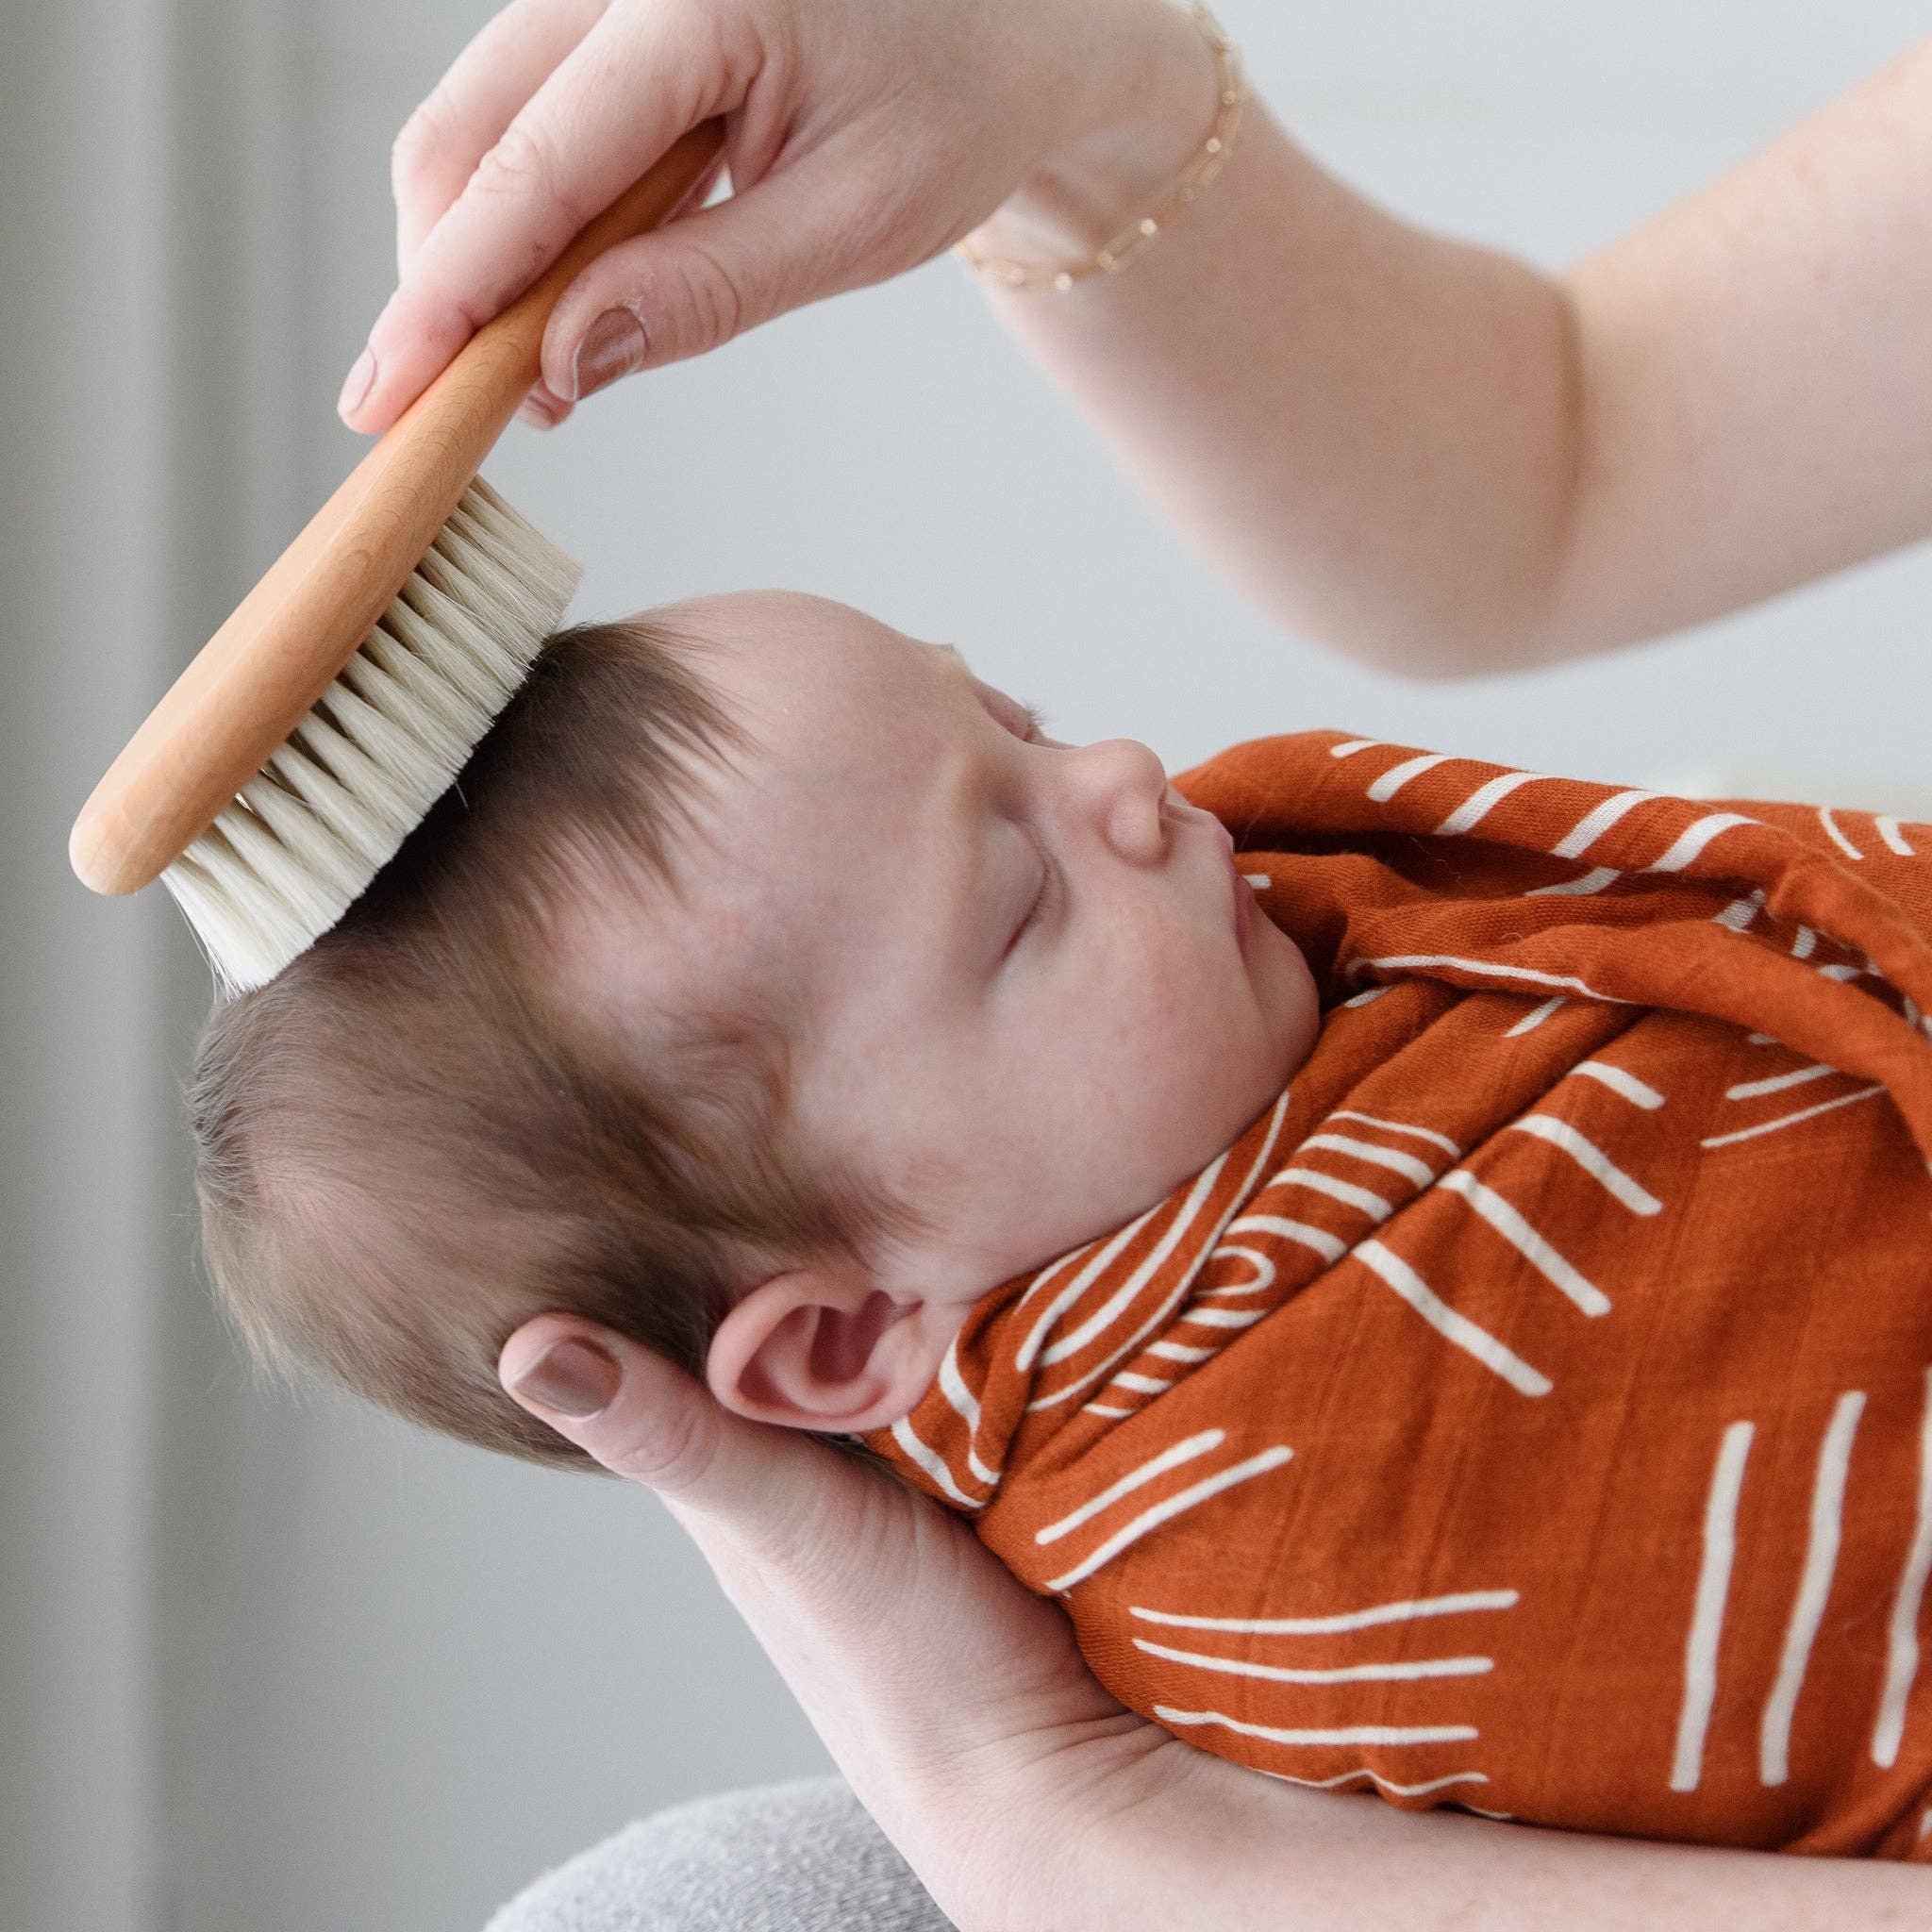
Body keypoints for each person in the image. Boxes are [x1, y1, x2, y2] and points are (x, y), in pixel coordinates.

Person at [317, 0, 1932, 1918]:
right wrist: (1064, 80)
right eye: (1019, 902)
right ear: (839, 1339)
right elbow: (1568, 453)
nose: (1131, 780)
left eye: (1023, 729)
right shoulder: (1266, 1510)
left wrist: (1109, 1850)